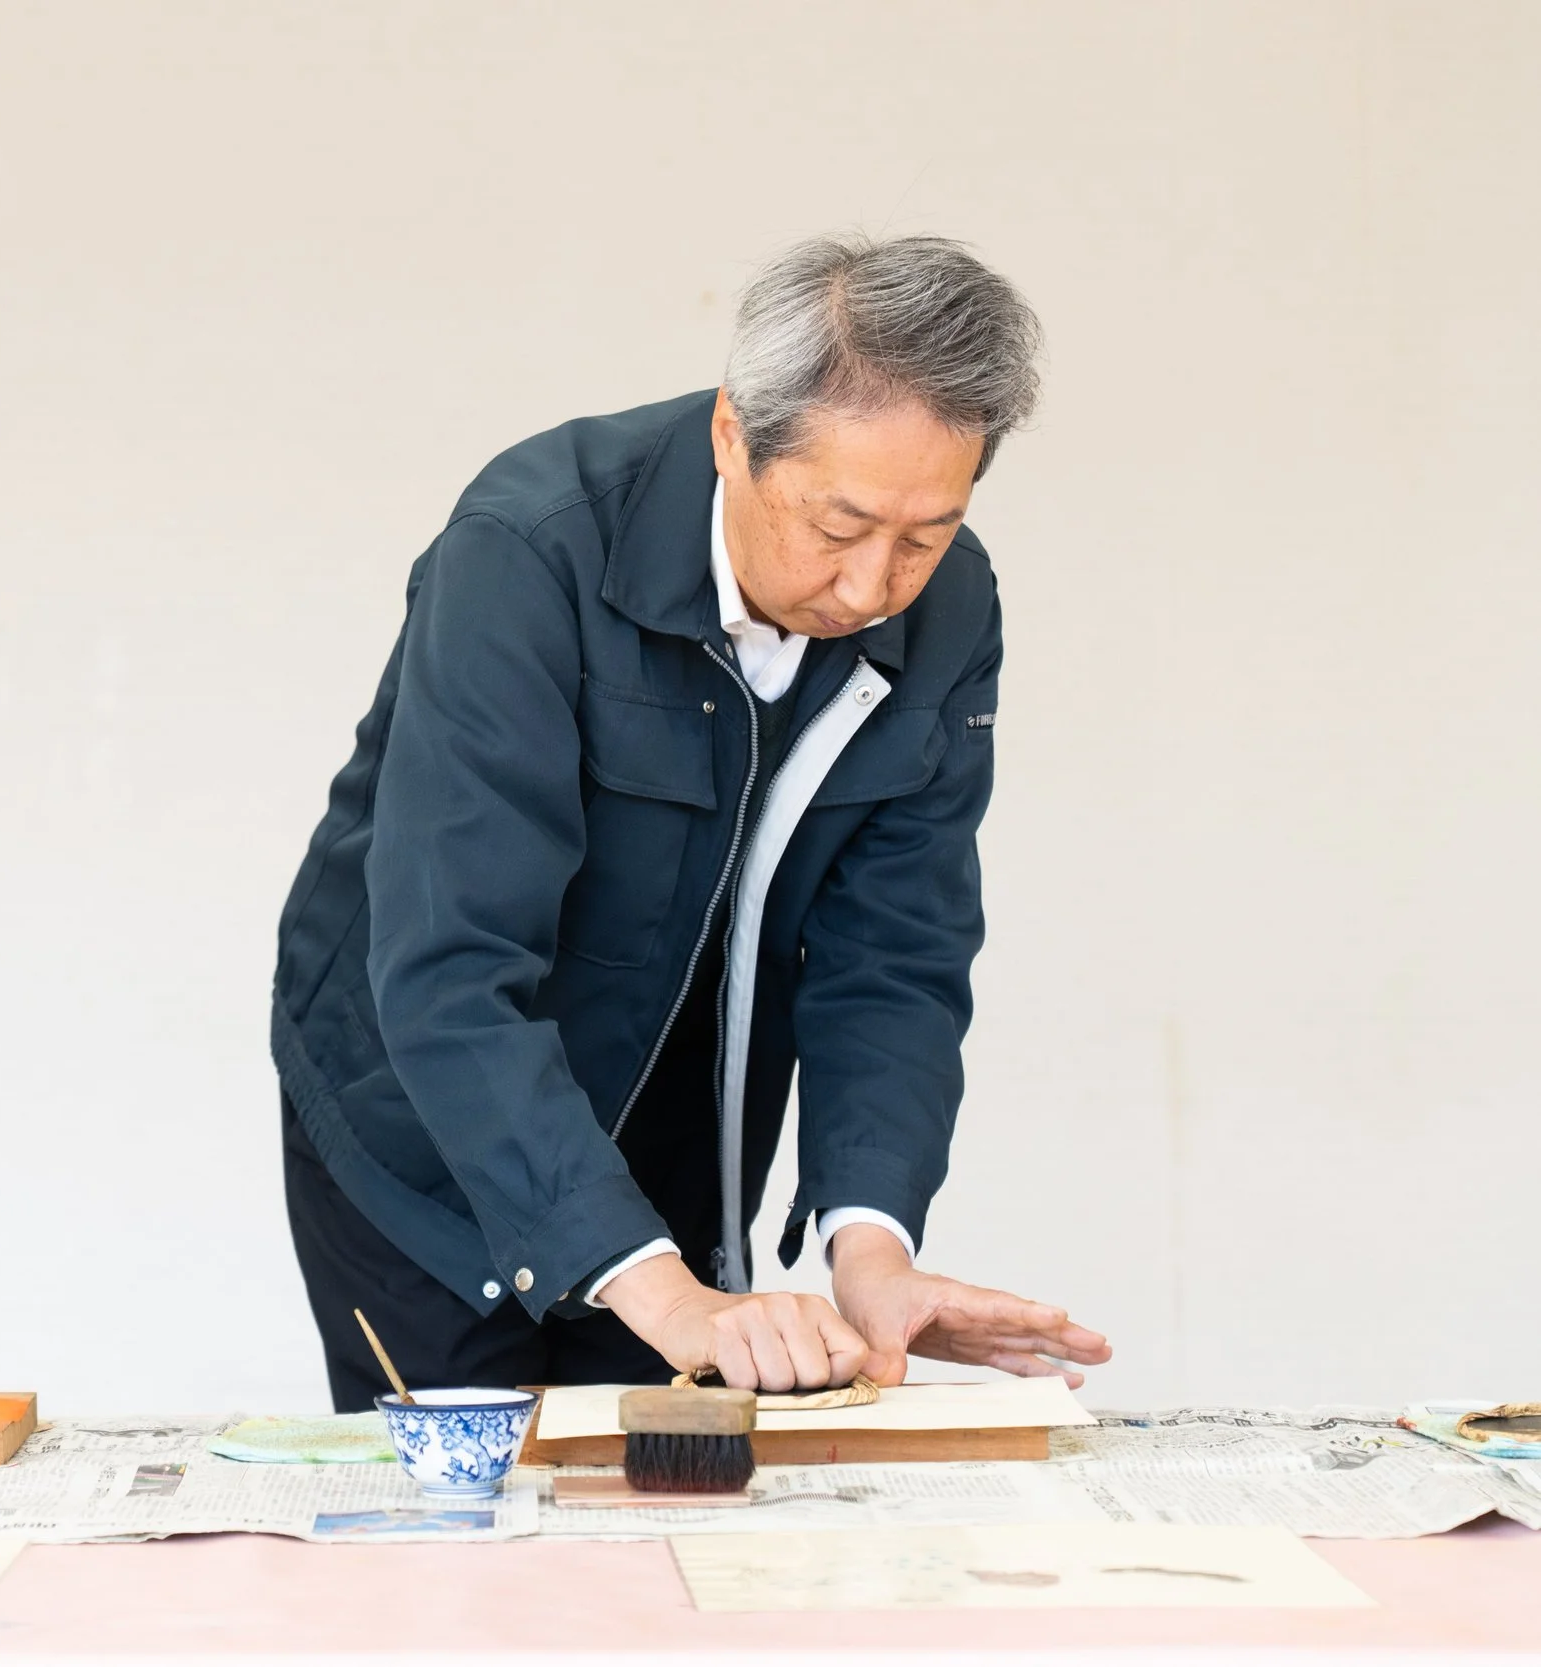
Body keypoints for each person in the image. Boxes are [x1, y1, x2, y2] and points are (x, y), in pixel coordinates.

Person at [271, 233, 1112, 1412]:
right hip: (433, 1119)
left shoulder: (952, 604)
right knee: (476, 1492)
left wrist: (872, 1249)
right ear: (733, 434)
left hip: (682, 1107)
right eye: (838, 528)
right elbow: (450, 963)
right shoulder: (530, 549)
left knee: (664, 1475)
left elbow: (896, 952)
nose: (872, 588)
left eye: (923, 536)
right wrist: (665, 1298)